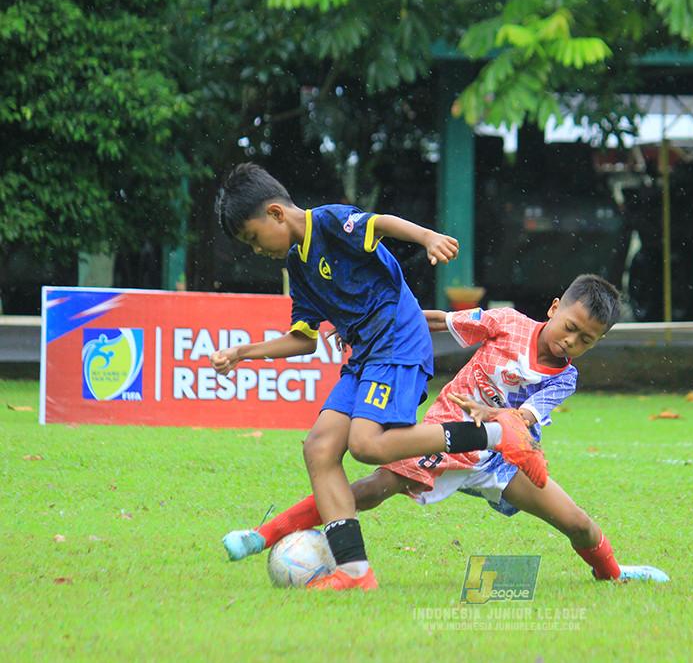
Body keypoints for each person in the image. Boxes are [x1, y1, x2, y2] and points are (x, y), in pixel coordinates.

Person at [211, 163, 546, 592]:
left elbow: (380, 224)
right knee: (319, 447)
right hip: (364, 356)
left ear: (276, 213)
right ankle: (353, 571)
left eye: (253, 239)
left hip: (397, 339)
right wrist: (243, 352)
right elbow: (303, 339)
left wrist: (426, 236)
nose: (256, 250)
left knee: (366, 445)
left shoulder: (328, 221)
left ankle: (497, 434)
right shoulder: (298, 266)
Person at [222, 274, 669, 583]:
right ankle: (262, 536)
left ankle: (614, 574)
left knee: (578, 524)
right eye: (570, 328)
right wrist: (375, 325)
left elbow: (525, 420)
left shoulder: (564, 376)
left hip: (500, 459)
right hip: (446, 436)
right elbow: (438, 321)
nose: (571, 342)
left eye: (585, 340)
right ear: (554, 308)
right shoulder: (508, 323)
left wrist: (493, 414)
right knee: (372, 489)